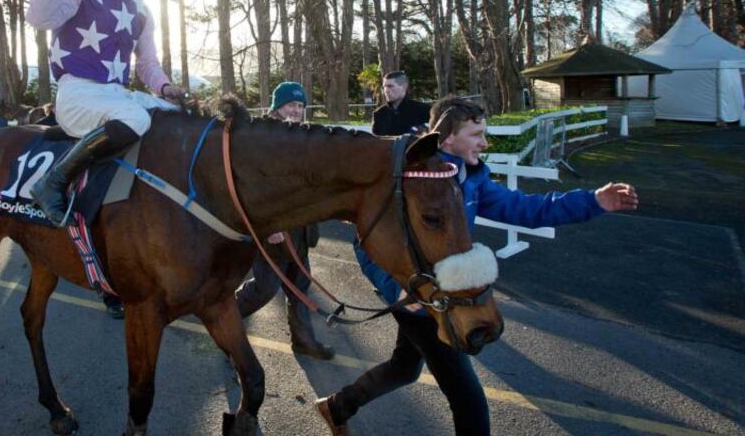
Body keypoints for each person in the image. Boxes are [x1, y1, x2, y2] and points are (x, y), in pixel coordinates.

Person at [315, 95, 639, 435]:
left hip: (445, 293)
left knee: (404, 367)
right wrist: (394, 287)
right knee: (468, 399)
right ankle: (337, 406)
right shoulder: (412, 180)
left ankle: (336, 406)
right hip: (427, 300)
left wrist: (593, 201)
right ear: (447, 137)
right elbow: (365, 241)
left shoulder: (472, 177)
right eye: (477, 134)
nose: (485, 142)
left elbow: (526, 209)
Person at [26, 0, 186, 226]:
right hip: (77, 95)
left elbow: (148, 65)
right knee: (137, 118)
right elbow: (38, 15)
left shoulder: (141, 10)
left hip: (116, 96)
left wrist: (166, 89)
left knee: (177, 113)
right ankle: (52, 183)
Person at [233, 82, 334, 360]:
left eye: (301, 106)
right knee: (264, 289)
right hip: (274, 230)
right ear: (278, 106)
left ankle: (304, 341)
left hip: (301, 228)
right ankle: (224, 322)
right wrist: (269, 225)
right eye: (291, 105)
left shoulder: (302, 135)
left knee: (300, 288)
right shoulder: (262, 137)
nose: (297, 111)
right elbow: (253, 188)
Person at [372, 71, 431, 136]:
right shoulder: (379, 114)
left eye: (390, 86)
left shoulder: (424, 110)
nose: (386, 90)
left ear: (404, 86)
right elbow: (375, 142)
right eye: (384, 87)